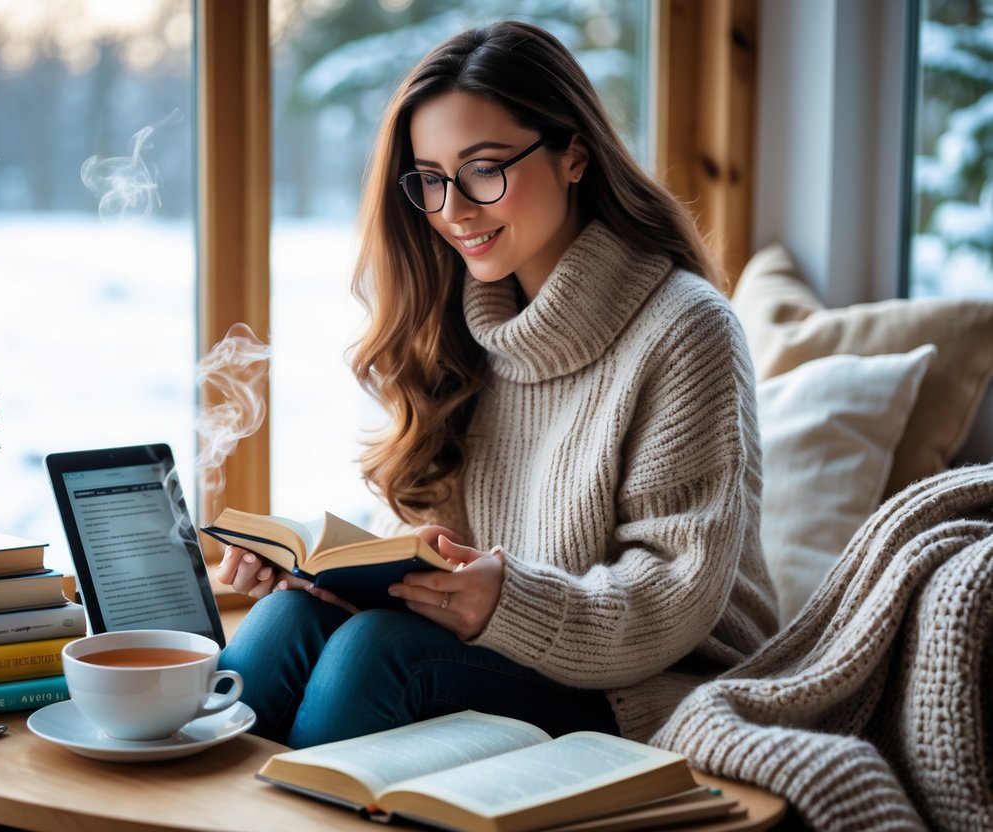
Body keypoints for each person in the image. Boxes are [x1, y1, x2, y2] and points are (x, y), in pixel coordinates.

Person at [216, 20, 778, 749]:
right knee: (284, 625)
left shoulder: (684, 328)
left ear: (572, 155)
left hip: (651, 680)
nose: (452, 209)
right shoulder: (458, 327)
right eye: (430, 180)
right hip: (495, 647)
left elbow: (673, 593)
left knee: (373, 657)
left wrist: (505, 602)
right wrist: (330, 579)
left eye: (484, 170)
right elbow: (431, 537)